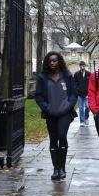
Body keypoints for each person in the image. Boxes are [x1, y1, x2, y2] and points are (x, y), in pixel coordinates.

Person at [35, 51, 77, 181]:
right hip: (50, 114)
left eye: (55, 60)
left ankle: (62, 168)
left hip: (64, 113)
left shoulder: (67, 76)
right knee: (53, 139)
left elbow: (73, 94)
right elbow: (38, 96)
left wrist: (68, 106)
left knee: (62, 136)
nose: (52, 63)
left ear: (59, 61)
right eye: (50, 61)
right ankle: (56, 168)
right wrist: (46, 108)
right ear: (47, 63)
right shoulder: (43, 77)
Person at [73, 60, 91, 126]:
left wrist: (89, 92)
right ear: (79, 66)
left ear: (85, 66)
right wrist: (77, 90)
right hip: (79, 94)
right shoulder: (76, 74)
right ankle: (82, 121)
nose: (82, 67)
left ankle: (86, 118)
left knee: (87, 107)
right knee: (81, 108)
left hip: (87, 94)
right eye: (81, 66)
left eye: (83, 66)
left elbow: (91, 84)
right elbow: (74, 84)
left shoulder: (89, 74)